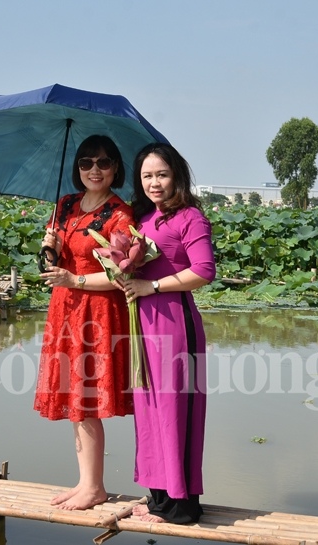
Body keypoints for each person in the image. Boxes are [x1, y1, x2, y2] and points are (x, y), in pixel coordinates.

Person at [33, 135, 135, 510]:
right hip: (64, 306)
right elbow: (55, 243)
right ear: (77, 168)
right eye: (86, 163)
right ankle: (85, 481)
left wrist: (72, 279)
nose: (94, 169)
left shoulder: (121, 214)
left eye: (104, 163)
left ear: (115, 169)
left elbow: (120, 274)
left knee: (86, 396)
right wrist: (48, 247)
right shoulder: (66, 205)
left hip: (96, 309)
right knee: (74, 397)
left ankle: (94, 487)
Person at [116, 142, 216, 524]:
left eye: (161, 174)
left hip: (176, 323)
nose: (154, 183)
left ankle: (182, 505)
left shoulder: (190, 217)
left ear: (176, 175)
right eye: (146, 176)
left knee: (177, 409)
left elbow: (204, 271)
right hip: (142, 324)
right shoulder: (140, 220)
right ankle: (159, 496)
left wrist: (152, 288)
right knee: (150, 409)